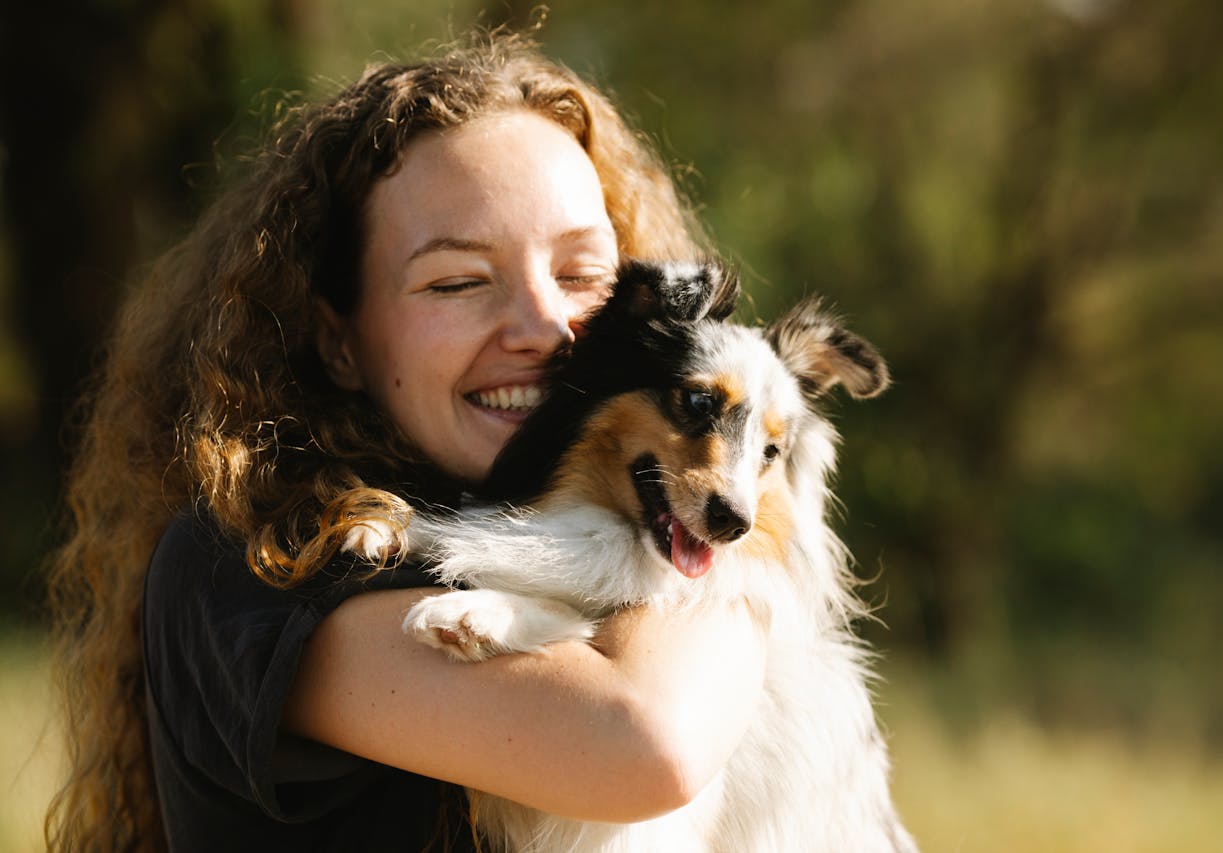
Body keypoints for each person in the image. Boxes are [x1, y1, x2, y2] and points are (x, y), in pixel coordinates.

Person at [44, 33, 768, 852]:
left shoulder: (586, 523)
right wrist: (740, 507)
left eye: (581, 275)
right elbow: (644, 739)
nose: (545, 330)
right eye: (457, 281)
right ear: (337, 339)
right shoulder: (247, 570)